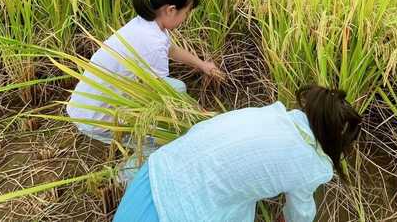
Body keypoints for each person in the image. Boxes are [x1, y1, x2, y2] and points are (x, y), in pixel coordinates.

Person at [114, 85, 362, 222]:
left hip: (152, 177)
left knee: (240, 201)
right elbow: (301, 214)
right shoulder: (312, 165)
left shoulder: (271, 114)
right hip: (174, 214)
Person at [66, 0, 225, 144]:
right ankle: (127, 170)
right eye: (186, 13)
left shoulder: (147, 23)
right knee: (167, 140)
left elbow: (171, 49)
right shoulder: (152, 41)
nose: (185, 19)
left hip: (85, 104)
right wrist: (203, 116)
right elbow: (165, 97)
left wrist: (203, 65)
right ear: (170, 10)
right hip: (97, 119)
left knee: (178, 87)